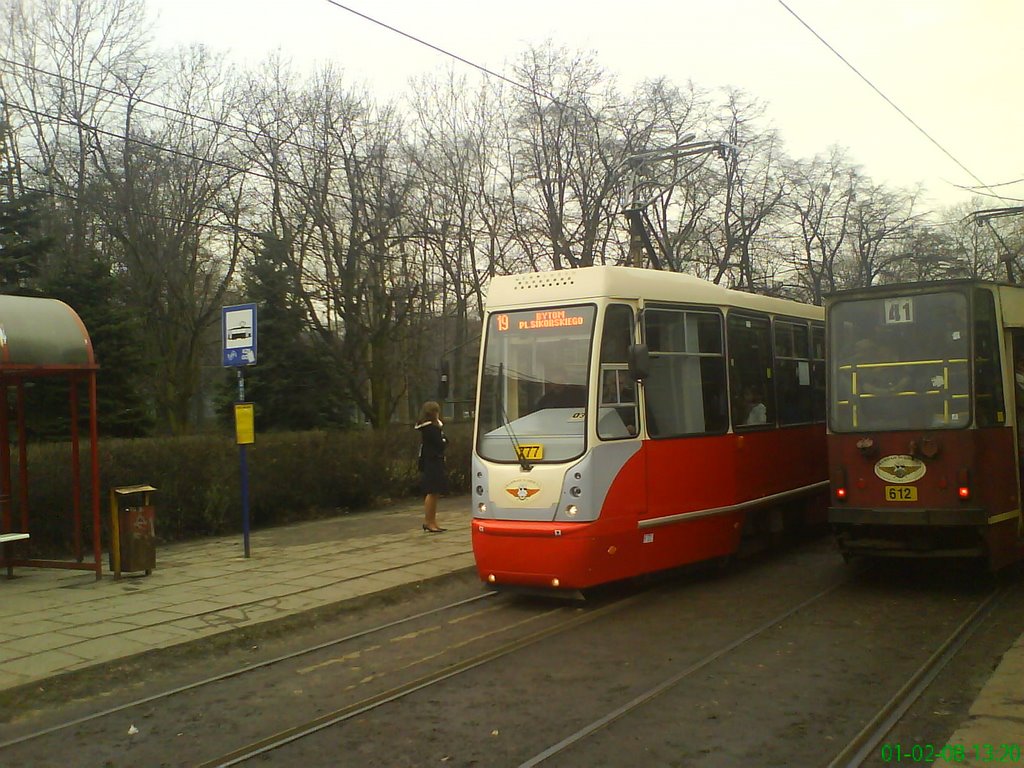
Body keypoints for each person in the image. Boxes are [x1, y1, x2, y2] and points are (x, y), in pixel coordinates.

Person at [415, 401, 448, 533]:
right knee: (432, 492)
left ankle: (432, 521)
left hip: (432, 461)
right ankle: (429, 521)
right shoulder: (431, 429)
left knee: (435, 492)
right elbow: (441, 444)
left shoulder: (429, 428)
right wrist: (444, 439)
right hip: (433, 462)